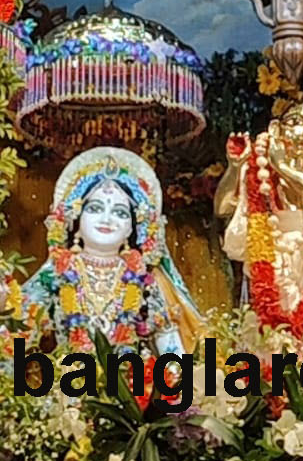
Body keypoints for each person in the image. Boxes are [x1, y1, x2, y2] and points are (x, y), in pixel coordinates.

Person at [21, 146, 208, 358]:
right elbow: (15, 334)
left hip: (129, 376)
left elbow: (172, 354)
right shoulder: (55, 274)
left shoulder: (147, 280)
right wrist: (0, 306)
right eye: (95, 208)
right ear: (76, 220)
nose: (107, 219)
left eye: (120, 212)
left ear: (132, 228)